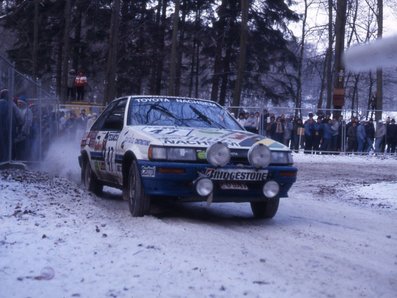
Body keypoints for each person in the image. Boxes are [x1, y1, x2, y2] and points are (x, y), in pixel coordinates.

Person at [0, 89, 24, 162]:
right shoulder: (11, 104)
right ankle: (7, 163)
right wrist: (19, 127)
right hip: (9, 130)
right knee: (9, 147)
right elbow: (20, 118)